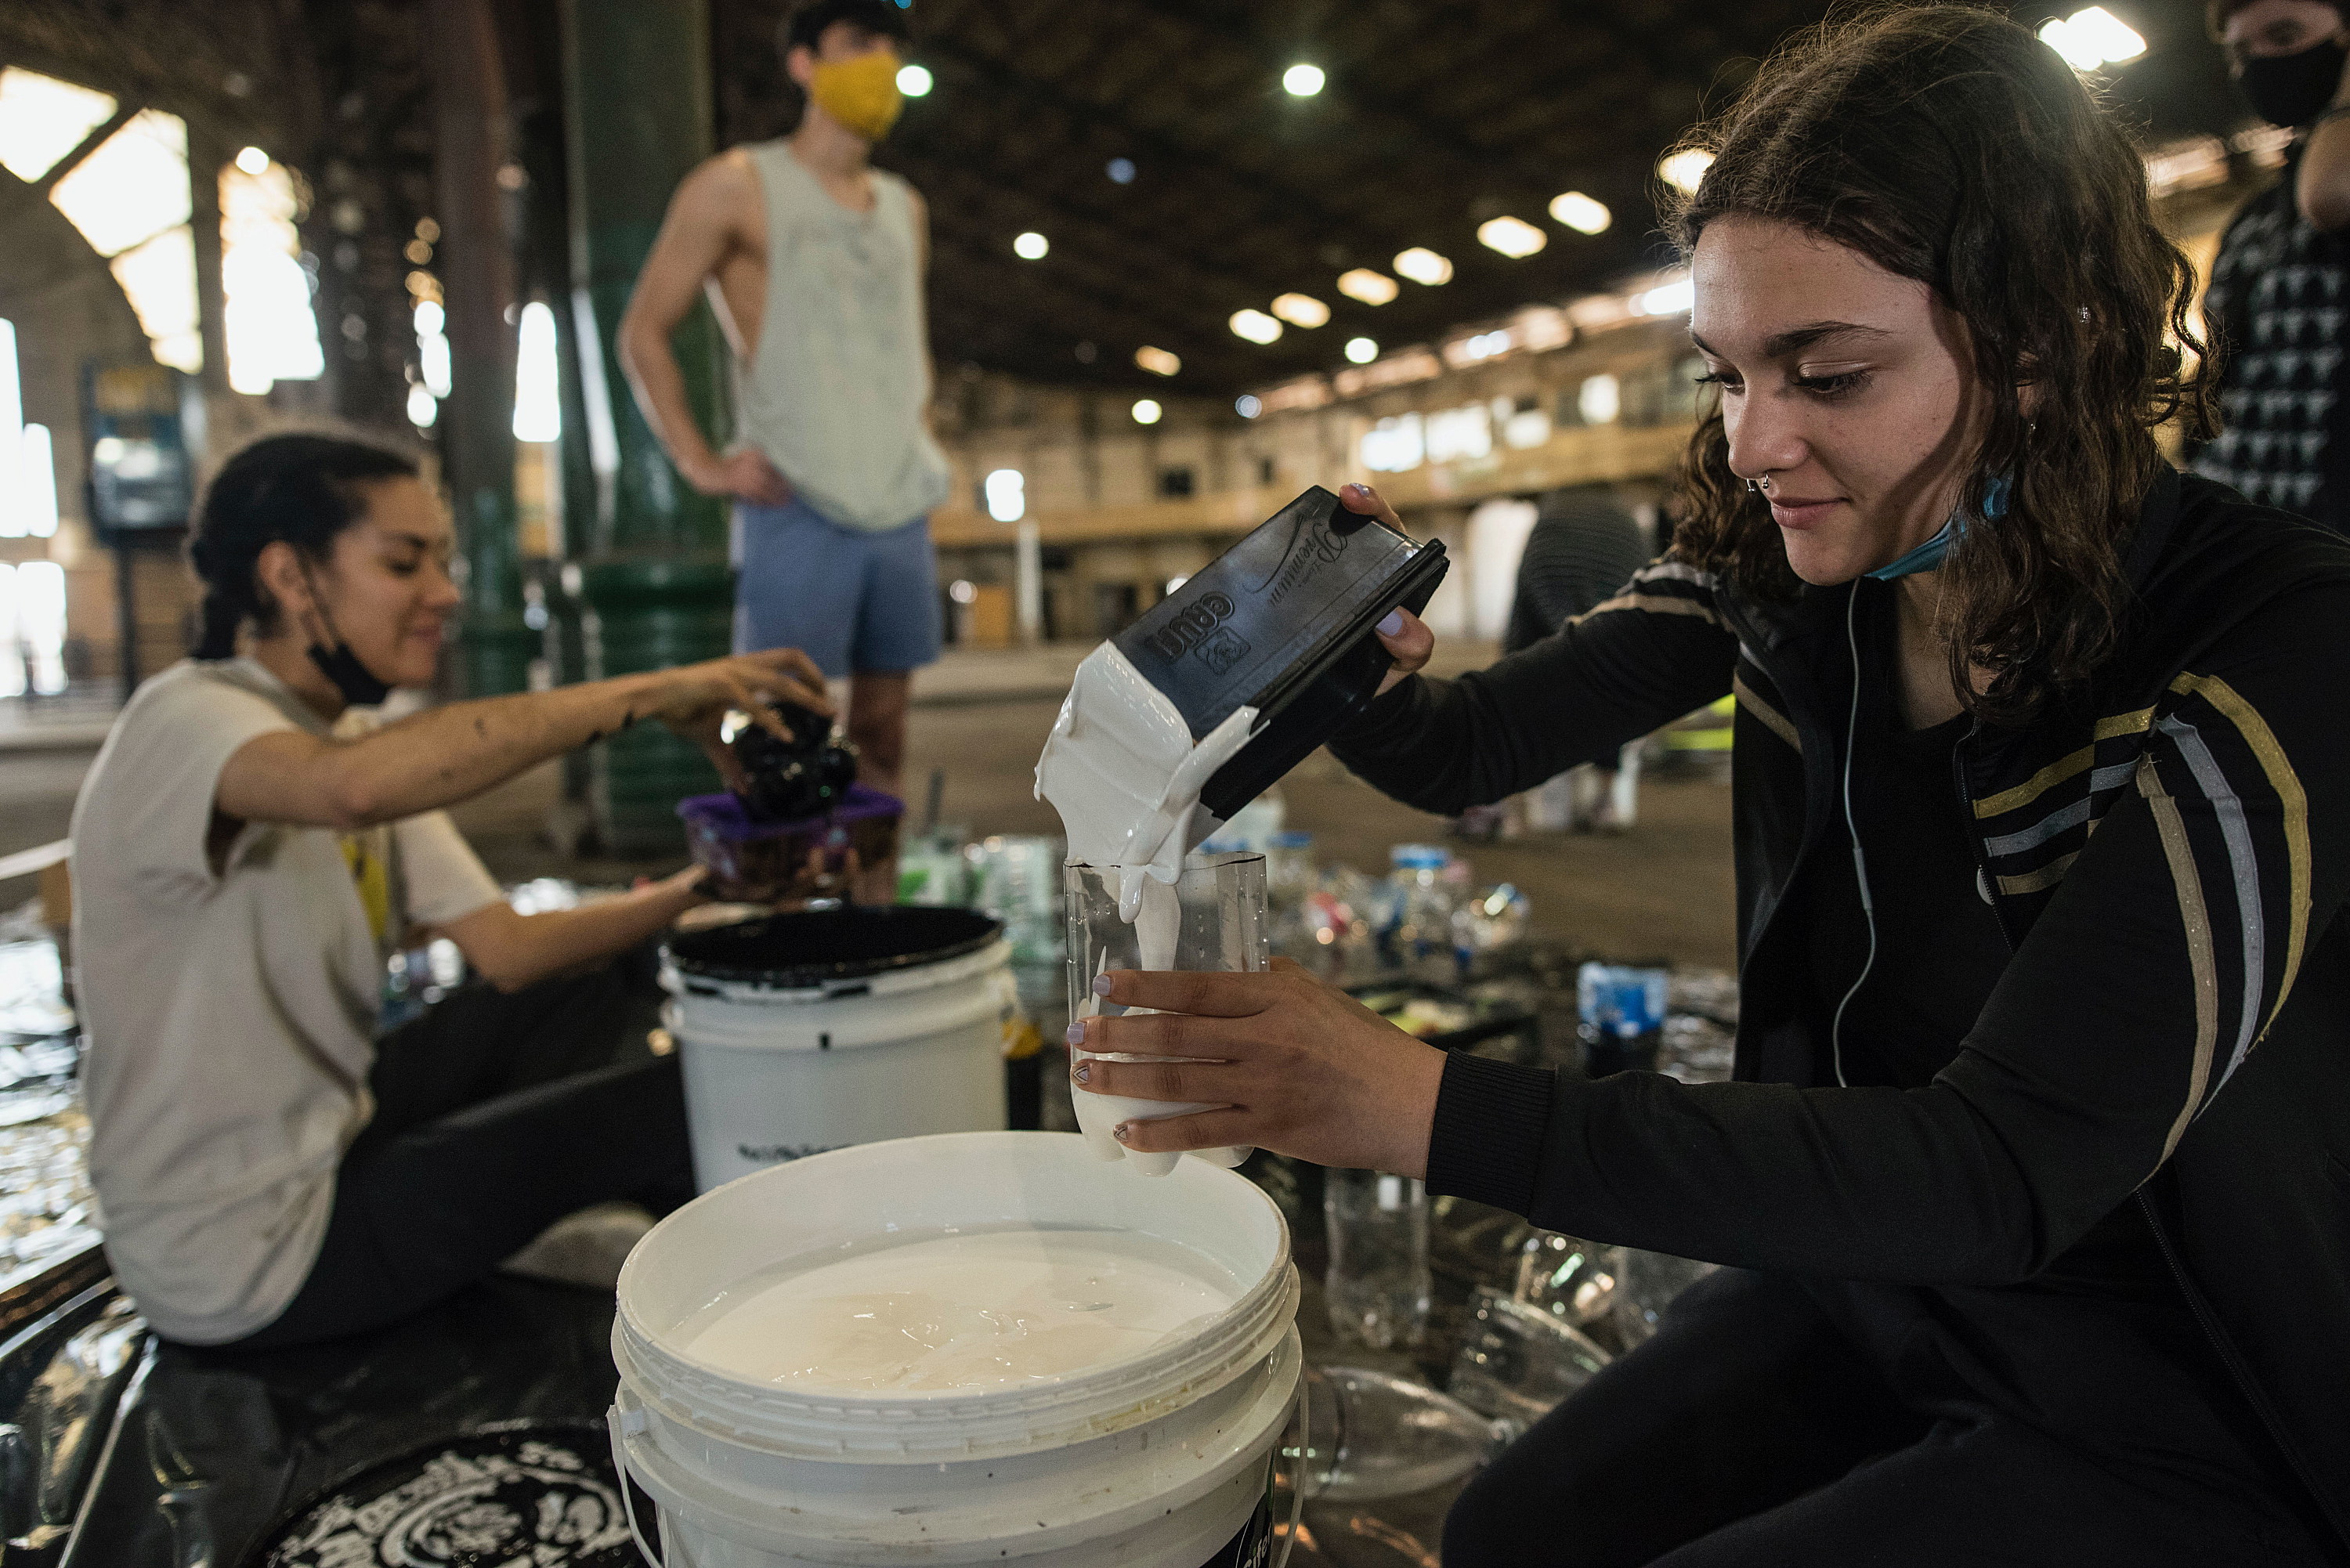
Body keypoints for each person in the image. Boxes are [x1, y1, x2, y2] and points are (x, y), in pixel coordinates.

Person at [1068, 11, 2350, 1563]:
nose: (1755, 441)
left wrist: (1423, 1103)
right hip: (1872, 1278)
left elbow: (2010, 1166)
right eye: (1731, 372)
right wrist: (1351, 665)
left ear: (2050, 337)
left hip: (2171, 1381)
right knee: (1514, 1532)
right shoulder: (1790, 571)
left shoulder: (2274, 634)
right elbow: (1478, 746)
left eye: (1828, 373)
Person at [71, 432, 832, 1349]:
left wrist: (701, 887)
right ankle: (764, 1326)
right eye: (403, 563)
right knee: (703, 1096)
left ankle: (560, 1207)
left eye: (440, 560)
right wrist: (662, 689)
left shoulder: (348, 737)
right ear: (287, 574)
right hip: (243, 1255)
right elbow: (347, 789)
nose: (444, 593)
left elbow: (512, 952)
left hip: (331, 1137)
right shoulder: (189, 719)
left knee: (609, 978)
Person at [619, 0, 947, 801]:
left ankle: (873, 911)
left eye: (892, 47)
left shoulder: (906, 208)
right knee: (785, 732)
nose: (881, 61)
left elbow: (903, 345)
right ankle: (794, 915)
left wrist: (922, 435)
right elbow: (643, 332)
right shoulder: (736, 187)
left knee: (884, 729)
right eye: (859, 43)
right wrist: (702, 464)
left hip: (899, 502)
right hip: (794, 494)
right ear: (804, 62)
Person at [2194, 0, 2350, 533]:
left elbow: (2331, 195)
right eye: (2241, 52)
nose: (2260, 62)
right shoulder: (2256, 216)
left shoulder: (2328, 188)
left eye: (2284, 37)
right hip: (2257, 533)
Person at [1505, 486, 1652, 831]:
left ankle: (1511, 804)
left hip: (1550, 571)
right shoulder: (1624, 518)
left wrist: (1511, 667)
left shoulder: (1551, 516)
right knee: (1609, 687)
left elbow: (1522, 622)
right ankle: (1605, 800)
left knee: (1537, 685)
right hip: (1619, 577)